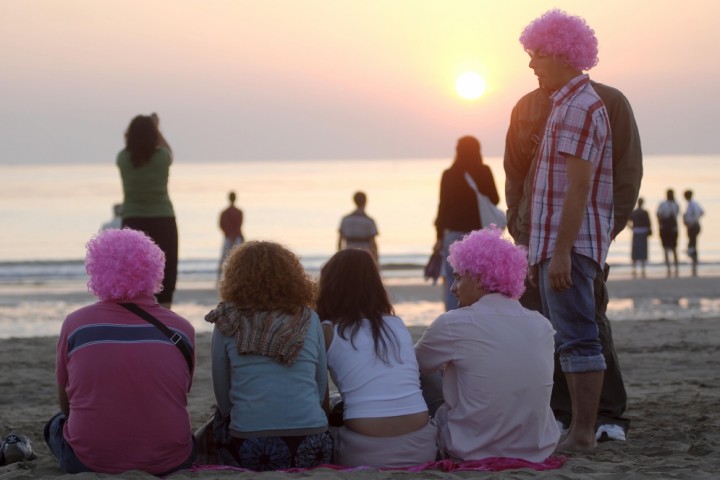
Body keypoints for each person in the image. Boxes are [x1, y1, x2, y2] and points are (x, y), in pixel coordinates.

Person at [504, 12, 641, 442]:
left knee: (585, 329)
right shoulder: (534, 106)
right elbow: (518, 174)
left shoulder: (593, 104)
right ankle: (566, 416)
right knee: (552, 330)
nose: (530, 64)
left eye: (537, 54)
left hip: (571, 242)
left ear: (562, 53)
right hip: (539, 239)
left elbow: (607, 180)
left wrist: (590, 239)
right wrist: (519, 230)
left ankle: (601, 419)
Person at [44, 229, 196, 475]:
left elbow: (66, 404)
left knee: (54, 424)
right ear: (154, 269)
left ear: (97, 269)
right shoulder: (182, 329)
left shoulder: (76, 325)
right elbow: (180, 392)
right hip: (172, 461)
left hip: (89, 461)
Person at [415, 227, 559, 462]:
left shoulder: (454, 323)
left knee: (419, 371)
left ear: (480, 278)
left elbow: (415, 365)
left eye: (459, 277)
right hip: (536, 449)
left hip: (471, 448)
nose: (453, 288)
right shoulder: (541, 324)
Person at [205, 241, 332, 471]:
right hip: (313, 444)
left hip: (249, 445)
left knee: (214, 425)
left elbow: (221, 390)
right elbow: (320, 382)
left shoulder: (227, 319)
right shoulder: (309, 317)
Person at [316, 249, 437, 468]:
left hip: (364, 451)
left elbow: (318, 399)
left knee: (334, 406)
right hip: (423, 447)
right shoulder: (395, 324)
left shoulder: (328, 331)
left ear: (330, 286)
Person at [117, 113, 178, 308]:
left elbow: (135, 149)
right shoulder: (162, 158)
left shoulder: (122, 158)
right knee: (165, 273)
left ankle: (136, 318)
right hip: (163, 220)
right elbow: (169, 153)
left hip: (133, 221)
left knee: (134, 273)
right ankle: (165, 314)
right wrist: (157, 128)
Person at [434, 136, 499, 311]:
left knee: (453, 281)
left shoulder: (449, 174)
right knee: (480, 282)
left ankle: (453, 320)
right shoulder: (484, 171)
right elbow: (495, 199)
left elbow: (442, 208)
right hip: (479, 237)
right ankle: (478, 317)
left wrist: (439, 237)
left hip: (453, 235)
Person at [338, 191, 379, 263]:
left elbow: (339, 241)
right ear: (366, 201)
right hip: (365, 255)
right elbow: (373, 243)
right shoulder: (369, 220)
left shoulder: (345, 219)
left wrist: (339, 257)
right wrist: (376, 259)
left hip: (348, 254)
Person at [218, 191, 244, 279]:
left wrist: (229, 234)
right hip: (236, 237)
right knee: (238, 258)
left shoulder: (224, 212)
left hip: (229, 237)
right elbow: (239, 225)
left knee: (224, 257)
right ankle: (236, 276)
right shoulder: (239, 212)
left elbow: (221, 225)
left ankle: (220, 277)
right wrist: (234, 234)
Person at [657, 189, 680, 277]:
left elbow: (659, 214)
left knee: (666, 248)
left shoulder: (663, 204)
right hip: (673, 228)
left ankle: (669, 267)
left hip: (665, 228)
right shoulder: (675, 204)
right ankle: (675, 266)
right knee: (674, 248)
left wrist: (660, 225)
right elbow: (677, 214)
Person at [628, 198, 651, 278]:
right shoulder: (645, 212)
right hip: (643, 232)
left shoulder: (634, 212)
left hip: (636, 231)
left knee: (635, 250)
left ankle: (634, 268)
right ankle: (643, 268)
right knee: (643, 250)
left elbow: (627, 220)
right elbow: (649, 223)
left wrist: (631, 227)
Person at [683, 189, 704, 277]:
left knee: (692, 243)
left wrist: (693, 221)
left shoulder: (692, 204)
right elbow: (701, 212)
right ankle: (693, 261)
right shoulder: (692, 204)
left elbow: (699, 213)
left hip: (693, 226)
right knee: (693, 243)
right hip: (694, 225)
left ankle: (694, 261)